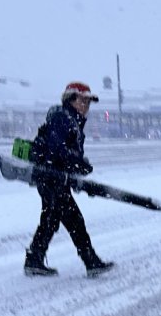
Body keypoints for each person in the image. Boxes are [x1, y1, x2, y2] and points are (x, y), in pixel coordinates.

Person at [24, 82, 115, 277]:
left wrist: (78, 166)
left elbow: (64, 152)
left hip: (53, 178)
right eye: (83, 100)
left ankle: (34, 259)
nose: (86, 106)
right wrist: (77, 163)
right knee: (74, 220)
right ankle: (91, 261)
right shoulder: (62, 118)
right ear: (70, 99)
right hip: (52, 178)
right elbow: (57, 149)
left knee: (51, 218)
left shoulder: (71, 120)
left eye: (89, 102)